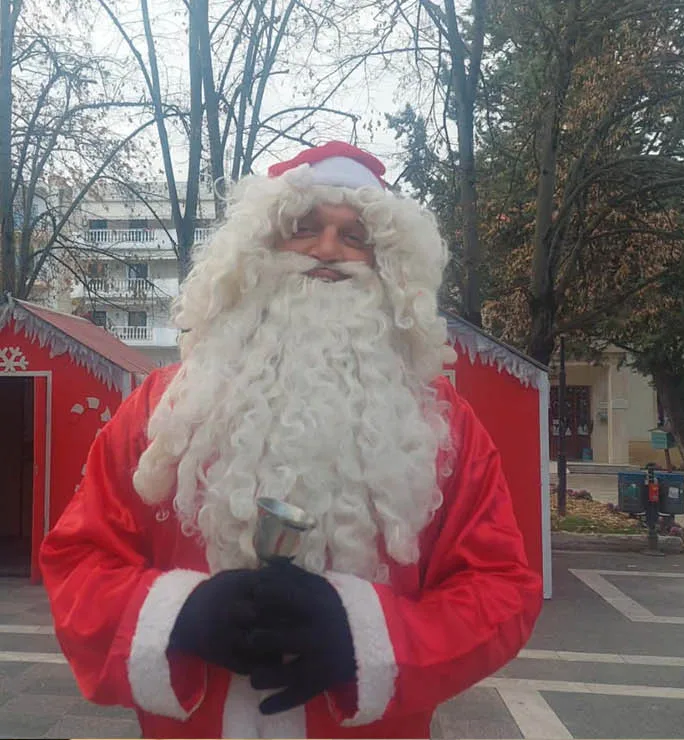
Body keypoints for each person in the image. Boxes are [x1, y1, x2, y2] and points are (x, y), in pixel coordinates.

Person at [38, 141, 543, 738]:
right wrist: (176, 616)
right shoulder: (162, 409)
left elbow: (499, 588)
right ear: (258, 251)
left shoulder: (442, 425)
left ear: (388, 268)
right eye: (304, 227)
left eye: (356, 236)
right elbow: (80, 562)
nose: (329, 250)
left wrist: (369, 639)